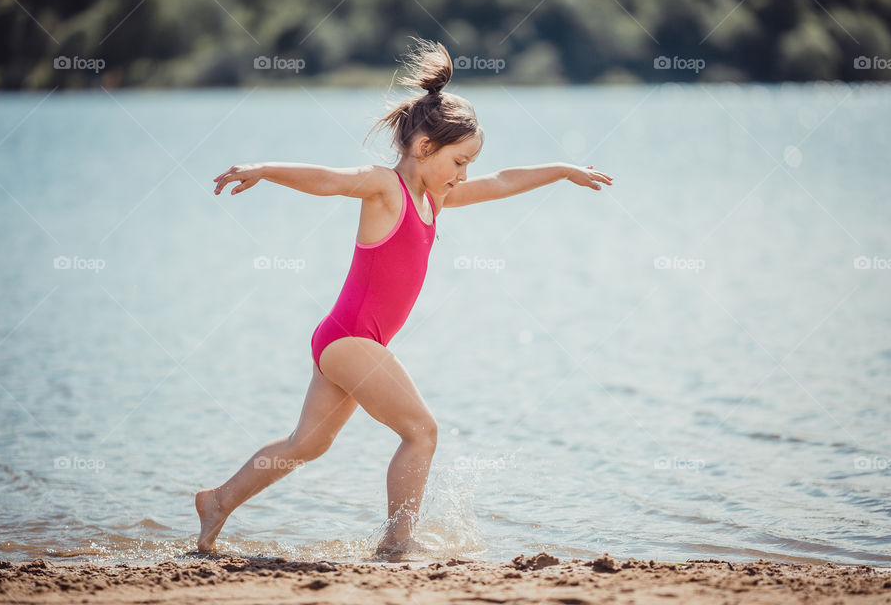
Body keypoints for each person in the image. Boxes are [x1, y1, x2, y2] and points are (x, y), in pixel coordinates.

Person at [197, 37, 614, 560]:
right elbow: (329, 180)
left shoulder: (434, 198)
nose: (464, 175)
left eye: (469, 164)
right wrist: (265, 169)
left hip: (346, 340)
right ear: (424, 148)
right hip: (351, 340)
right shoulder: (385, 188)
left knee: (307, 444)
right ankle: (397, 543)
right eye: (459, 161)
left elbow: (503, 182)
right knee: (421, 432)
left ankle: (218, 501)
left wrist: (562, 170)